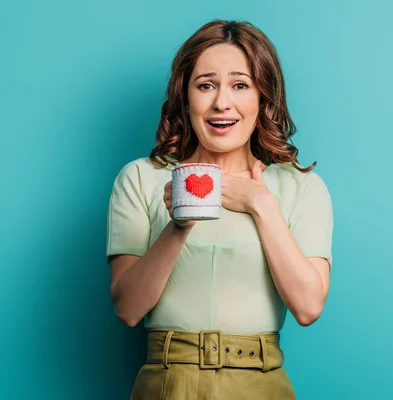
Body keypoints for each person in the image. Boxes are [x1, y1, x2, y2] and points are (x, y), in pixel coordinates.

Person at [106, 20, 334, 399]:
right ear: (185, 95)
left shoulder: (300, 187)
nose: (221, 103)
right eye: (206, 85)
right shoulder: (141, 178)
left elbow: (308, 308)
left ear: (263, 97)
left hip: (259, 383)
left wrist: (261, 204)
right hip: (167, 384)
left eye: (240, 85)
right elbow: (128, 309)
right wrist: (177, 226)